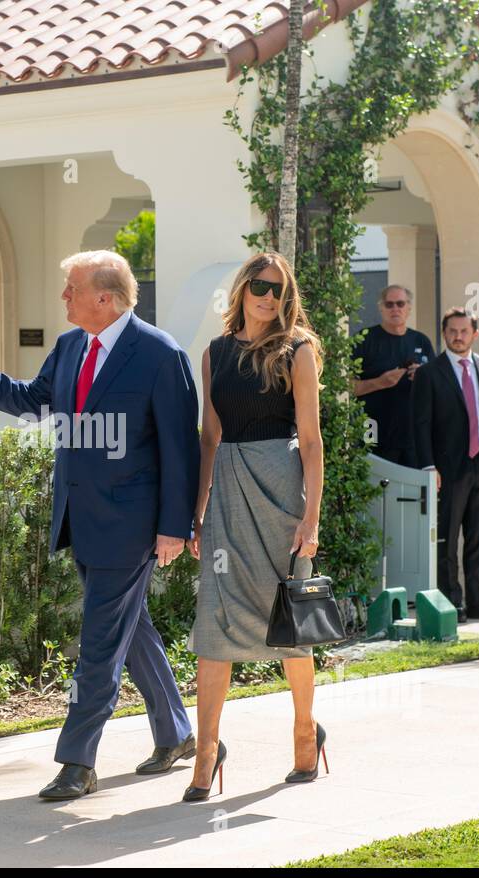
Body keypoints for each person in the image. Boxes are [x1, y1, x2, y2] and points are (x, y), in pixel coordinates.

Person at [0, 250, 198, 801]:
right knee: (132, 631)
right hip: (79, 517)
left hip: (132, 525)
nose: (63, 298)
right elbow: (34, 404)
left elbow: (181, 448)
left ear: (103, 298)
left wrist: (176, 528)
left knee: (100, 644)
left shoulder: (159, 354)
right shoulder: (68, 348)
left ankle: (78, 763)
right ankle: (177, 734)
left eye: (71, 289)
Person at [185, 251, 326, 802]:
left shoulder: (298, 351)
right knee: (214, 618)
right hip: (227, 495)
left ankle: (304, 732)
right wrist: (195, 512)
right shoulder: (214, 354)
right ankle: (205, 752)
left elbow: (311, 441)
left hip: (282, 492)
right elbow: (208, 439)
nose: (269, 297)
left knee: (293, 617)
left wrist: (311, 517)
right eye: (260, 287)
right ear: (243, 289)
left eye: (279, 290)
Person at [412, 308, 479, 622]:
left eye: (464, 331)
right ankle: (451, 605)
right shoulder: (430, 373)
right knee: (447, 539)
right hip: (448, 468)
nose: (458, 337)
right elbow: (420, 423)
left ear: (475, 334)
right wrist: (429, 466)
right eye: (452, 331)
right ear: (444, 333)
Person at [351, 284, 434, 467]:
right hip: (373, 431)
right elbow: (347, 389)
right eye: (389, 304)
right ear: (381, 308)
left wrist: (423, 379)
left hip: (413, 436)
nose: (395, 308)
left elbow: (437, 389)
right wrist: (379, 383)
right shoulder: (364, 339)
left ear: (409, 308)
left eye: (400, 304)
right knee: (374, 488)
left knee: (413, 492)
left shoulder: (421, 341)